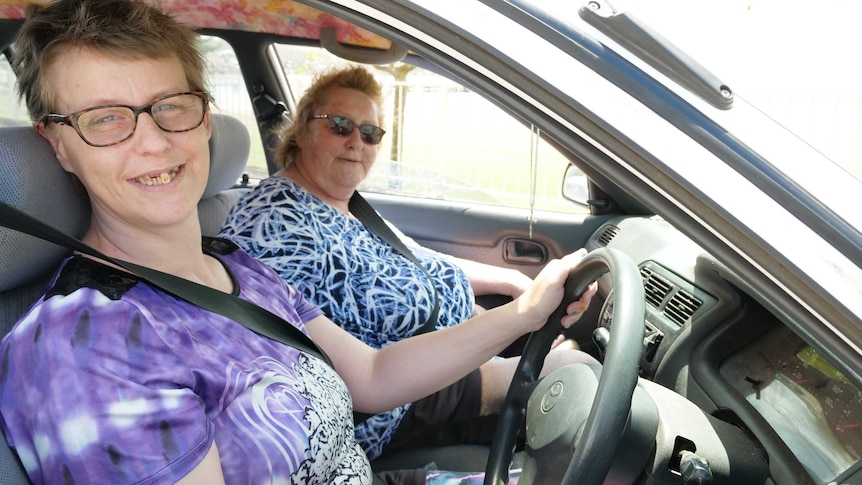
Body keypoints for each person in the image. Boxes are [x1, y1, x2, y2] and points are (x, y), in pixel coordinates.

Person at [0, 1, 596, 484]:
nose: (153, 143)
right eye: (105, 118)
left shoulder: (235, 267)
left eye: (172, 107)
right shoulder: (83, 349)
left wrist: (525, 312)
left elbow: (374, 375)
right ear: (57, 145)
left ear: (205, 120)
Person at [219, 65, 598, 461]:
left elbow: (415, 257)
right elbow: (329, 373)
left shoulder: (343, 203)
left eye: (370, 133)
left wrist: (513, 283)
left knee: (568, 342)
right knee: (578, 368)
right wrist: (521, 319)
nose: (357, 142)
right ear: (302, 128)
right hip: (408, 396)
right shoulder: (274, 222)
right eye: (340, 125)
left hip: (448, 340)